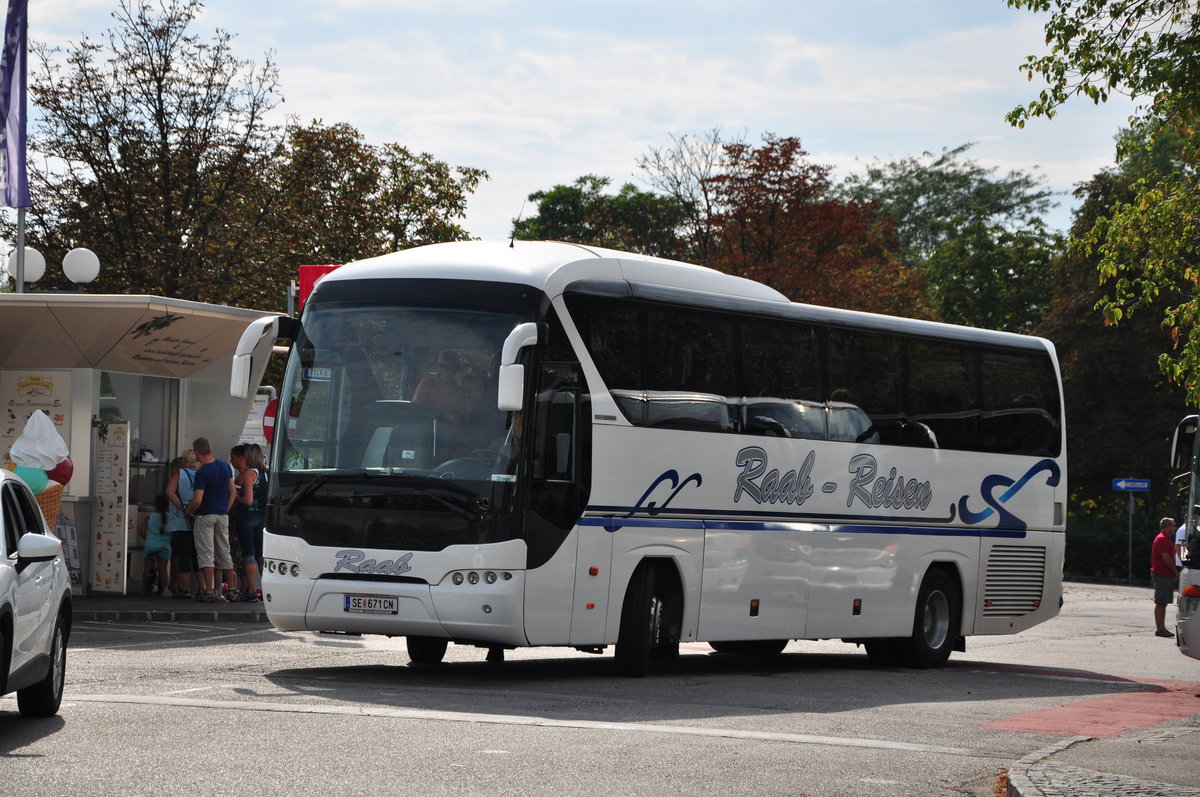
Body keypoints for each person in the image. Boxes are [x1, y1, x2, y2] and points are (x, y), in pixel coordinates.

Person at [185, 437, 237, 603]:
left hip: (205, 516)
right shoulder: (224, 466)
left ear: (197, 451)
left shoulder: (202, 472)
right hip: (222, 515)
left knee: (206, 553)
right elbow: (233, 492)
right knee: (224, 552)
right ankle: (232, 590)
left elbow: (198, 499)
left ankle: (208, 590)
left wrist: (189, 511)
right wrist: (225, 510)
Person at [232, 443, 267, 602]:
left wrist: (236, 495)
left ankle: (252, 590)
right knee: (261, 556)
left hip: (247, 517)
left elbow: (248, 500)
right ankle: (266, 589)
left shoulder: (249, 475)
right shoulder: (265, 474)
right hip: (262, 517)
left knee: (249, 554)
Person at [165, 451, 199, 598]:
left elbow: (169, 492)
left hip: (180, 520)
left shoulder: (179, 474)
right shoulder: (201, 474)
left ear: (185, 460)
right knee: (198, 554)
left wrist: (183, 507)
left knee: (183, 554)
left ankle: (185, 588)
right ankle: (203, 587)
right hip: (198, 518)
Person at [1151, 517, 1181, 638]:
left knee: (1163, 603)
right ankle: (1160, 629)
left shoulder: (1166, 539)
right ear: (1167, 526)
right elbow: (1166, 557)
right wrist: (1175, 571)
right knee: (1160, 602)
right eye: (1173, 525)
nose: (1174, 528)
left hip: (1165, 575)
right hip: (1161, 574)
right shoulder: (1162, 539)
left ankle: (1162, 628)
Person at [138, 493, 172, 596]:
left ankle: (144, 589)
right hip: (164, 547)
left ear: (155, 505)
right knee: (163, 569)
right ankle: (164, 589)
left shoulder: (150, 516)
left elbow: (142, 531)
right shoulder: (170, 518)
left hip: (150, 545)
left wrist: (146, 539)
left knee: (147, 568)